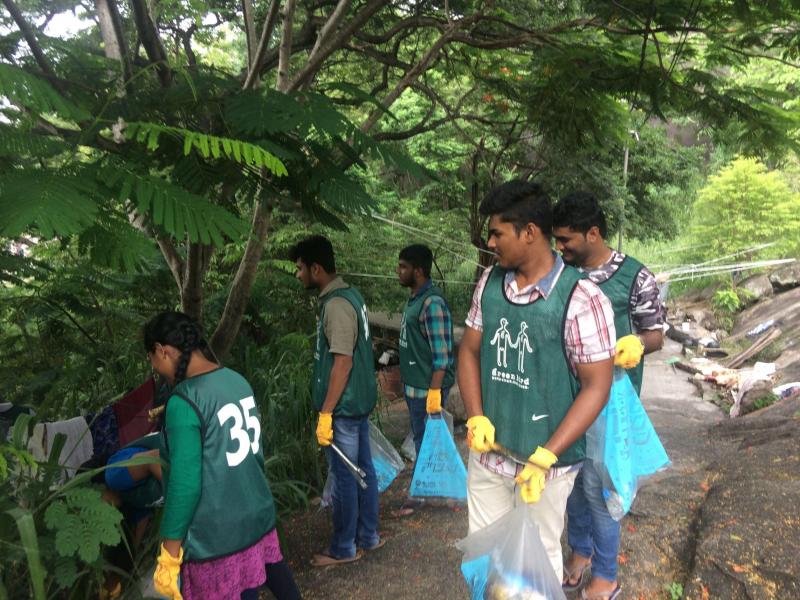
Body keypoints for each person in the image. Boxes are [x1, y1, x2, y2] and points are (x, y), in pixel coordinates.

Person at [458, 180, 616, 583]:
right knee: (484, 561)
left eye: (497, 232)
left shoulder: (582, 299)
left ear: (529, 232)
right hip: (490, 458)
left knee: (534, 572)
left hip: (546, 470)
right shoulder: (490, 285)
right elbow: (470, 352)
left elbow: (597, 386)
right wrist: (476, 416)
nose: (491, 242)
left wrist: (547, 455)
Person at [553, 191, 665, 600]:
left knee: (602, 488)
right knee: (572, 481)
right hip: (566, 396)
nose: (559, 248)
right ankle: (580, 551)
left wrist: (637, 344)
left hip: (609, 402)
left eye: (566, 240)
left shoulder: (635, 276)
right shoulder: (562, 275)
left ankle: (605, 574)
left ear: (594, 233)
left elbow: (656, 334)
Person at [145, 311, 301, 600]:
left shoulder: (184, 401)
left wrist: (169, 552)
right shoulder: (236, 380)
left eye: (152, 360)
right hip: (256, 516)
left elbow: (185, 484)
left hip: (216, 538)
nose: (155, 368)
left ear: (161, 350)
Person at [290, 235, 383, 566]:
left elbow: (342, 362)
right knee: (362, 470)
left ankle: (344, 547)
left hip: (343, 408)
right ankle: (368, 536)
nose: (298, 274)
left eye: (300, 268)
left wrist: (326, 412)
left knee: (346, 476)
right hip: (354, 403)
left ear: (316, 268)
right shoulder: (349, 296)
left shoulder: (337, 305)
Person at [394, 244, 455, 516]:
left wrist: (434, 392)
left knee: (425, 439)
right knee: (423, 438)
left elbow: (442, 355)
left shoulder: (432, 304)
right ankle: (436, 488)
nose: (398, 271)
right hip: (414, 386)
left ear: (418, 271)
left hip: (426, 389)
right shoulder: (414, 299)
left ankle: (420, 494)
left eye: (403, 267)